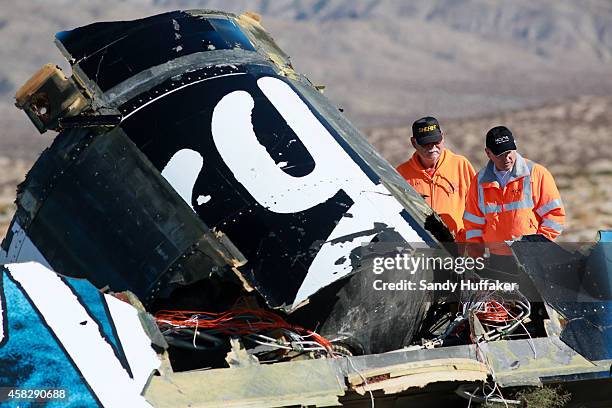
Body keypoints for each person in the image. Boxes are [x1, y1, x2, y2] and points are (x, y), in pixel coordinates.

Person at [463, 126, 565, 255]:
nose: (506, 158)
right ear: (488, 153)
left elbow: (555, 215)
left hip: (532, 255)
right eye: (500, 155)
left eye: (509, 152)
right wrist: (476, 254)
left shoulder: (536, 173)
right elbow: (473, 225)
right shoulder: (479, 181)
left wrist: (539, 245)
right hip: (497, 258)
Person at [397, 117, 476, 240]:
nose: (432, 147)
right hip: (420, 249)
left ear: (442, 137)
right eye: (426, 143)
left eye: (435, 142)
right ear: (414, 143)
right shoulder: (401, 174)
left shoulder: (461, 165)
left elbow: (478, 208)